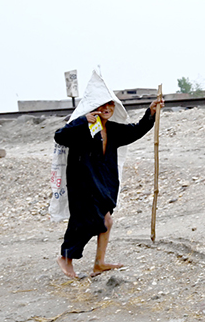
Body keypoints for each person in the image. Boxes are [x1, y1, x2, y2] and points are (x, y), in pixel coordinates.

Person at [55, 89, 163, 278]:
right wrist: (82, 121)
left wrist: (151, 113)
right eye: (102, 105)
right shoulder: (81, 128)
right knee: (82, 222)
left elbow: (135, 130)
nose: (106, 108)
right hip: (82, 186)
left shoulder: (113, 130)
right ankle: (65, 257)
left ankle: (99, 263)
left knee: (106, 221)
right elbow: (60, 136)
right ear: (93, 108)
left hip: (104, 185)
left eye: (109, 105)